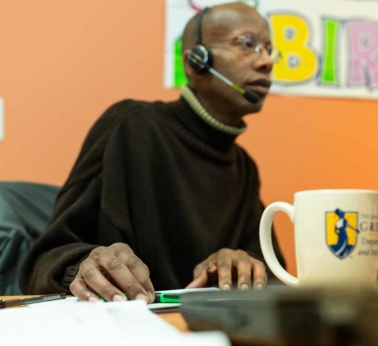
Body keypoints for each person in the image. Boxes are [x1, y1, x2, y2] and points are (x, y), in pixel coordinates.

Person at [19, 3, 285, 303]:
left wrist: (243, 267)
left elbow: (276, 278)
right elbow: (43, 260)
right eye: (247, 44)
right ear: (195, 62)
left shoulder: (243, 167)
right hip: (126, 332)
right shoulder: (130, 126)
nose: (266, 61)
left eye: (270, 50)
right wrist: (85, 266)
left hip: (202, 335)